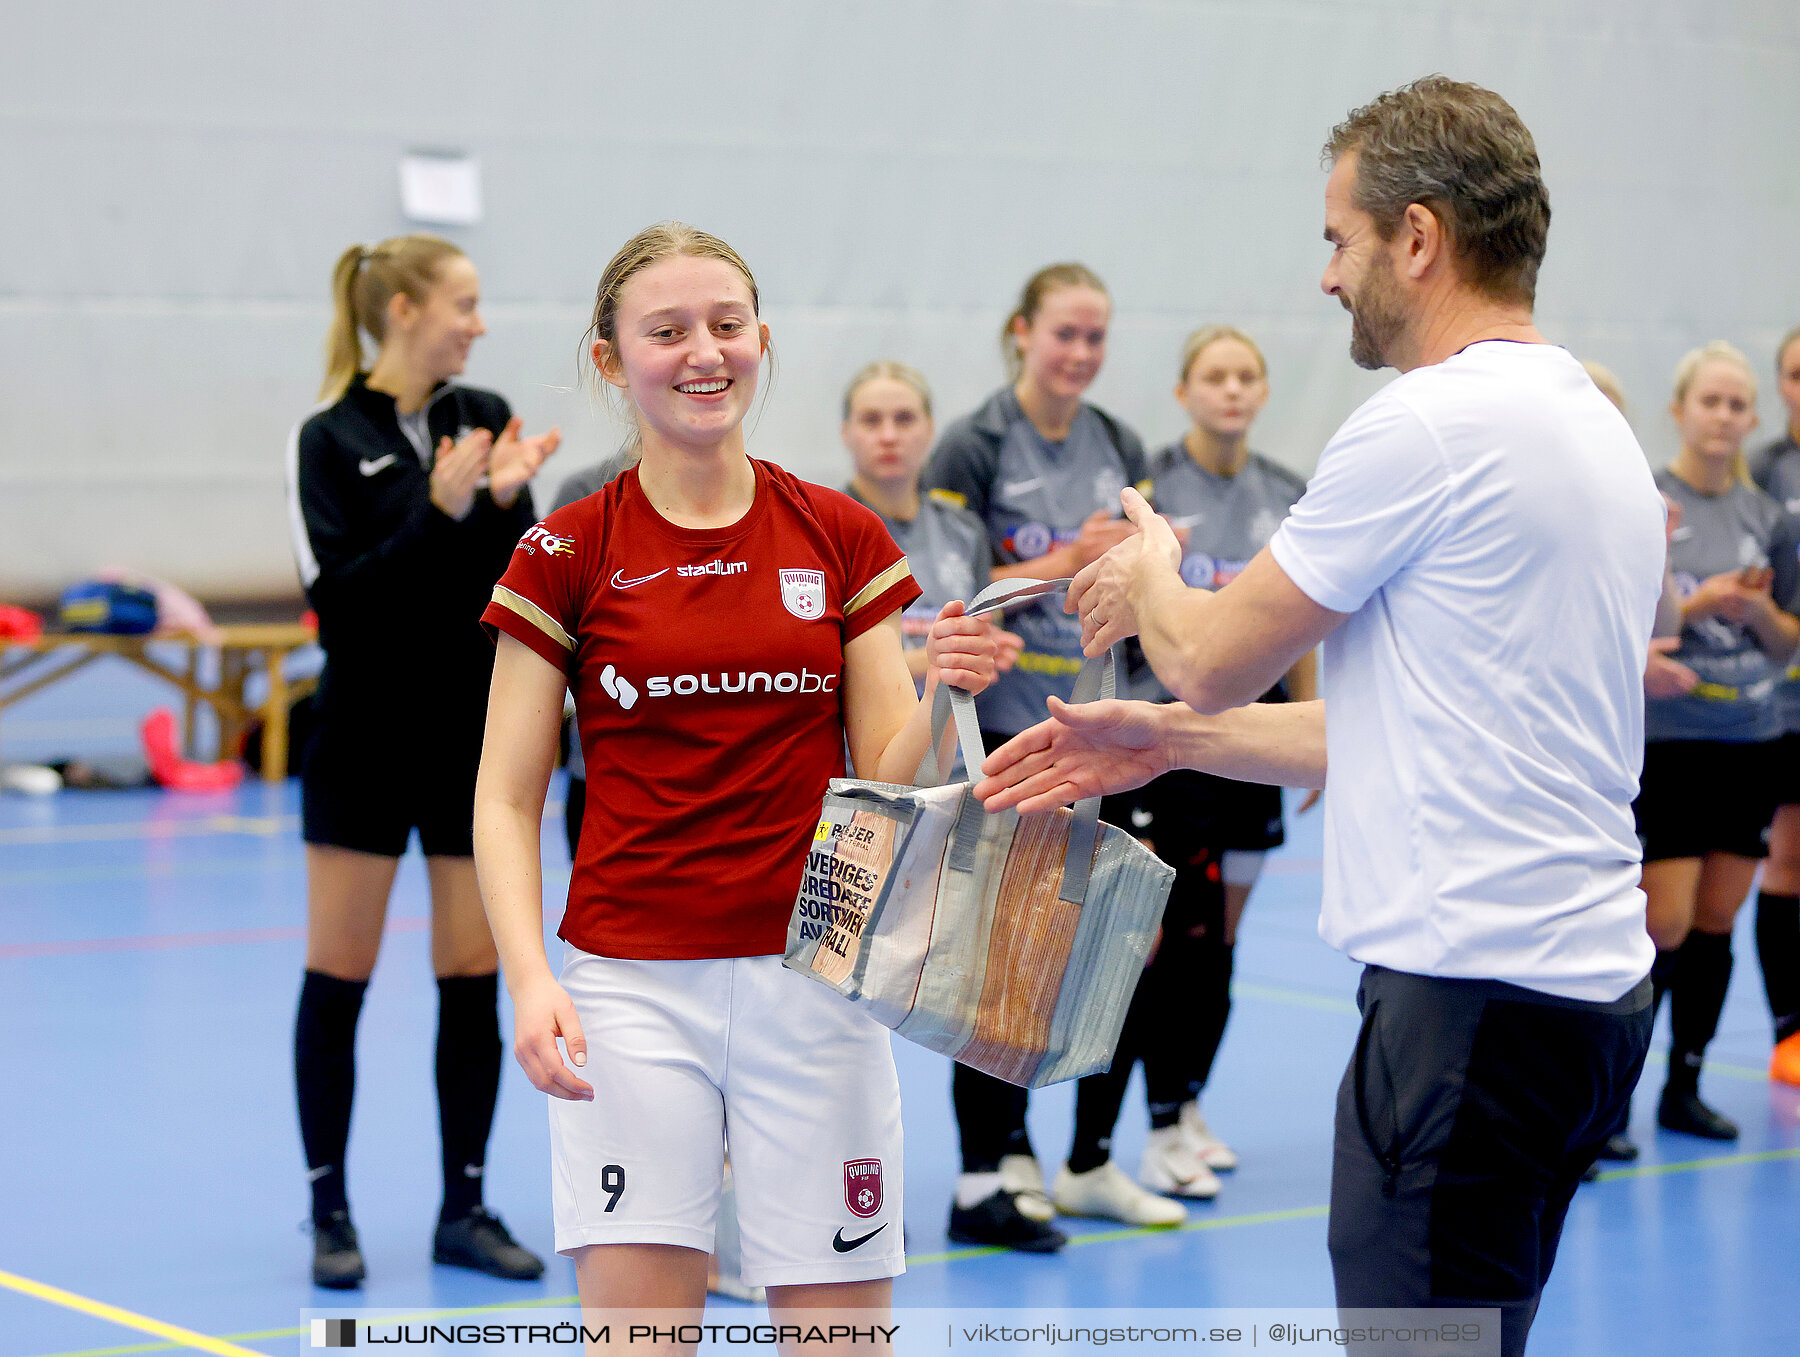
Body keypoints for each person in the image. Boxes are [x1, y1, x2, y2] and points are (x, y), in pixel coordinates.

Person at [976, 78, 1663, 1357]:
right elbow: (1405, 729)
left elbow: (1212, 658)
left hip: (1469, 1009)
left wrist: (1150, 572)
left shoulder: (1425, 425)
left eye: (1339, 238)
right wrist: (1165, 740)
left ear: (1418, 238)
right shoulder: (1590, 424)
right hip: (1582, 1003)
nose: (1329, 277)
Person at [471, 221, 997, 1336]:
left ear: (761, 338)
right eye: (666, 331)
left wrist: (945, 686)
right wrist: (529, 977)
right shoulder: (565, 552)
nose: (703, 352)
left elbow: (887, 779)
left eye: (725, 325)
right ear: (612, 360)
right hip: (628, 990)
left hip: (814, 975)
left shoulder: (840, 534)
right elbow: (506, 799)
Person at [285, 234, 561, 1287]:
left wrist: (497, 502)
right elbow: (347, 608)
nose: (479, 324)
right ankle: (329, 1209)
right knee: (338, 978)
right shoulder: (326, 439)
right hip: (361, 743)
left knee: (472, 977)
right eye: (465, 304)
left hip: (465, 745)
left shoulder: (477, 412)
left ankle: (466, 1205)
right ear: (402, 311)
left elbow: (509, 585)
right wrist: (436, 509)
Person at [922, 263, 1164, 1248]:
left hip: (1107, 723)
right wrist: (1068, 563)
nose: (1081, 354)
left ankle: (1091, 1158)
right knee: (1005, 952)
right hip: (1014, 732)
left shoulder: (1123, 446)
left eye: (1096, 337)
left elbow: (1144, 584)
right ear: (1022, 333)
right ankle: (994, 1163)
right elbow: (956, 589)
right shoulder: (972, 444)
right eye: (1065, 334)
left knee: (1121, 938)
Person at [1063, 325, 1315, 1210]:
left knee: (1217, 946)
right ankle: (1107, 1144)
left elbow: (1306, 627)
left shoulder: (1288, 493)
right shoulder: (1154, 489)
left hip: (1255, 745)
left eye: (1249, 374)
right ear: (1183, 391)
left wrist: (1314, 736)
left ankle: (1182, 1107)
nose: (1233, 390)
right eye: (1216, 375)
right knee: (1150, 944)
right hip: (1169, 740)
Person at [1638, 341, 1799, 1139]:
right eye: (1711, 401)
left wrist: (1758, 611)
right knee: (1661, 922)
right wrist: (1706, 606)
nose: (1725, 416)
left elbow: (1785, 641)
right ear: (1680, 409)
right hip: (1669, 745)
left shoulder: (1765, 518)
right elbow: (1630, 623)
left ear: (1753, 418)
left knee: (1715, 919)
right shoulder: (1645, 503)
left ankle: (1684, 1085)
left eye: (1738, 405)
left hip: (1752, 739)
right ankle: (1609, 1099)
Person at [838, 360, 1020, 699]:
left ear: (930, 429)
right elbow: (822, 669)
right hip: (858, 748)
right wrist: (934, 659)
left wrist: (990, 649)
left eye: (904, 419)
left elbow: (985, 642)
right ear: (846, 432)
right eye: (871, 421)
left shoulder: (964, 530)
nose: (889, 436)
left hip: (957, 745)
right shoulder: (821, 529)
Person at [1746, 323, 1800, 1088]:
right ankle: (1791, 1031)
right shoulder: (1761, 474)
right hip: (1783, 703)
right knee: (1786, 860)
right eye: (1795, 372)